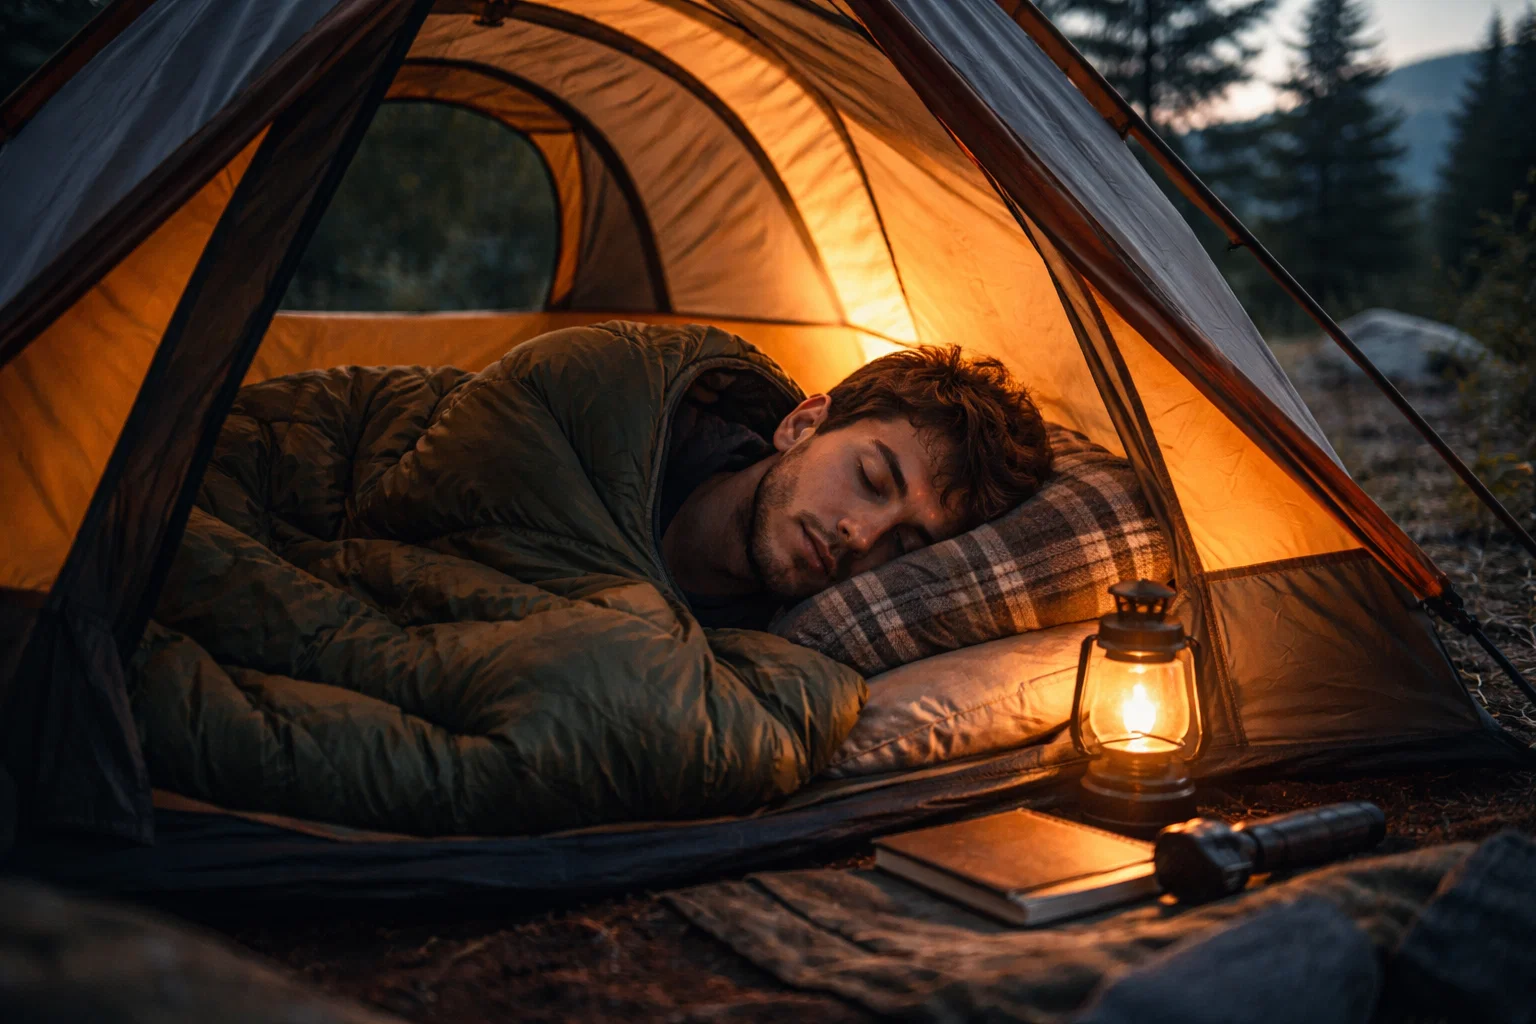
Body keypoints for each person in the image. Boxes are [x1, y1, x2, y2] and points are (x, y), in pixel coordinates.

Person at [659, 344, 1053, 630]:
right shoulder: (631, 428)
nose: (862, 538)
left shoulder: (760, 663)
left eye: (903, 544)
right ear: (802, 425)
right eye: (870, 478)